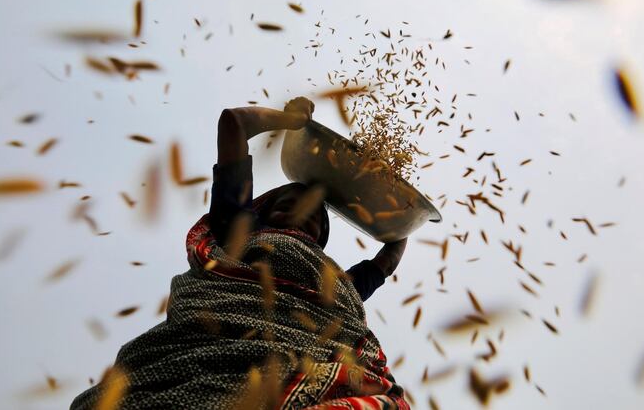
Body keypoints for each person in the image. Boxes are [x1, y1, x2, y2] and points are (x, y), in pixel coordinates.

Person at [71, 97, 410, 409]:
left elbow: (393, 249)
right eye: (289, 203)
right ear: (264, 208)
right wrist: (289, 120)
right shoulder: (238, 228)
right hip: (202, 349)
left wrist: (382, 188)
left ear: (321, 237)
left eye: (315, 216)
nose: (303, 211)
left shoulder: (335, 284)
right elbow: (233, 123)